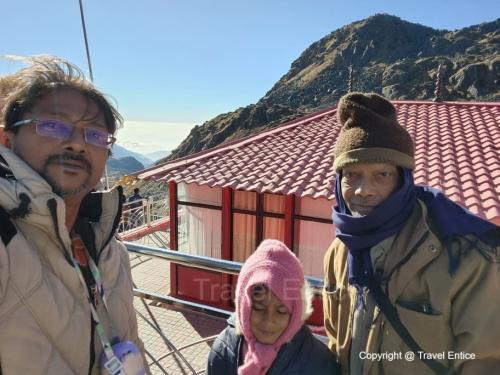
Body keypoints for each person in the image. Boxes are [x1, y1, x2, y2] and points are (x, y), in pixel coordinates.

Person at [323, 92, 500, 374]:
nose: (362, 190)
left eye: (382, 174)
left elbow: (484, 362)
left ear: (404, 180)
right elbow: (336, 339)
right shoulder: (338, 251)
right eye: (351, 174)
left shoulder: (465, 258)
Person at [0, 56, 149, 374]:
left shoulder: (110, 250)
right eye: (53, 125)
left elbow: (131, 345)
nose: (78, 144)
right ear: (7, 140)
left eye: (95, 135)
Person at [207, 239, 339, 375]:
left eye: (281, 311)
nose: (269, 321)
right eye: (259, 307)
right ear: (243, 307)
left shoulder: (320, 365)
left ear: (296, 313)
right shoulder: (223, 349)